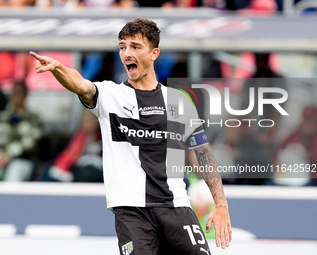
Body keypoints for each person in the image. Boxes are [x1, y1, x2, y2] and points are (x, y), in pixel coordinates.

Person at [30, 18, 231, 254]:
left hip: (176, 207)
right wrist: (58, 68)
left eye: (135, 46)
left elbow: (203, 152)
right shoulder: (109, 95)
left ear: (154, 53)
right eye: (122, 46)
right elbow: (81, 85)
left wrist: (221, 204)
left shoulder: (178, 101)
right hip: (132, 213)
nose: (127, 53)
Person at [0, 81, 43, 182]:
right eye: (13, 93)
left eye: (19, 93)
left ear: (25, 96)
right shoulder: (2, 117)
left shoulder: (33, 118)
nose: (16, 97)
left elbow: (29, 142)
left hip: (22, 160)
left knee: (15, 171)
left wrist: (8, 155)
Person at [47, 109, 103, 182]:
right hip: (80, 169)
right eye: (85, 121)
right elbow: (70, 154)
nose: (87, 124)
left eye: (90, 121)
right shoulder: (79, 137)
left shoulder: (102, 136)